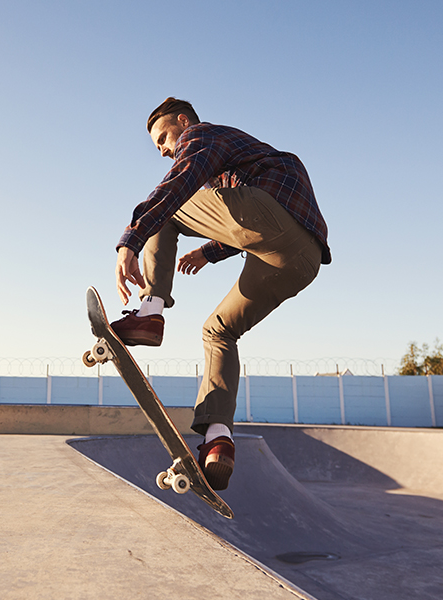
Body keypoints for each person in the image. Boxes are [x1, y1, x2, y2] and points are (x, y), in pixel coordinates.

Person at [113, 98, 330, 490]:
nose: (163, 149)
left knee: (165, 204)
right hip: (302, 260)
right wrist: (209, 252)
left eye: (163, 137)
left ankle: (150, 311)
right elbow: (246, 222)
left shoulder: (201, 135)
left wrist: (132, 239)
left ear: (182, 122)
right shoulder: (236, 167)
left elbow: (180, 185)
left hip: (273, 224)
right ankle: (217, 440)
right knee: (218, 331)